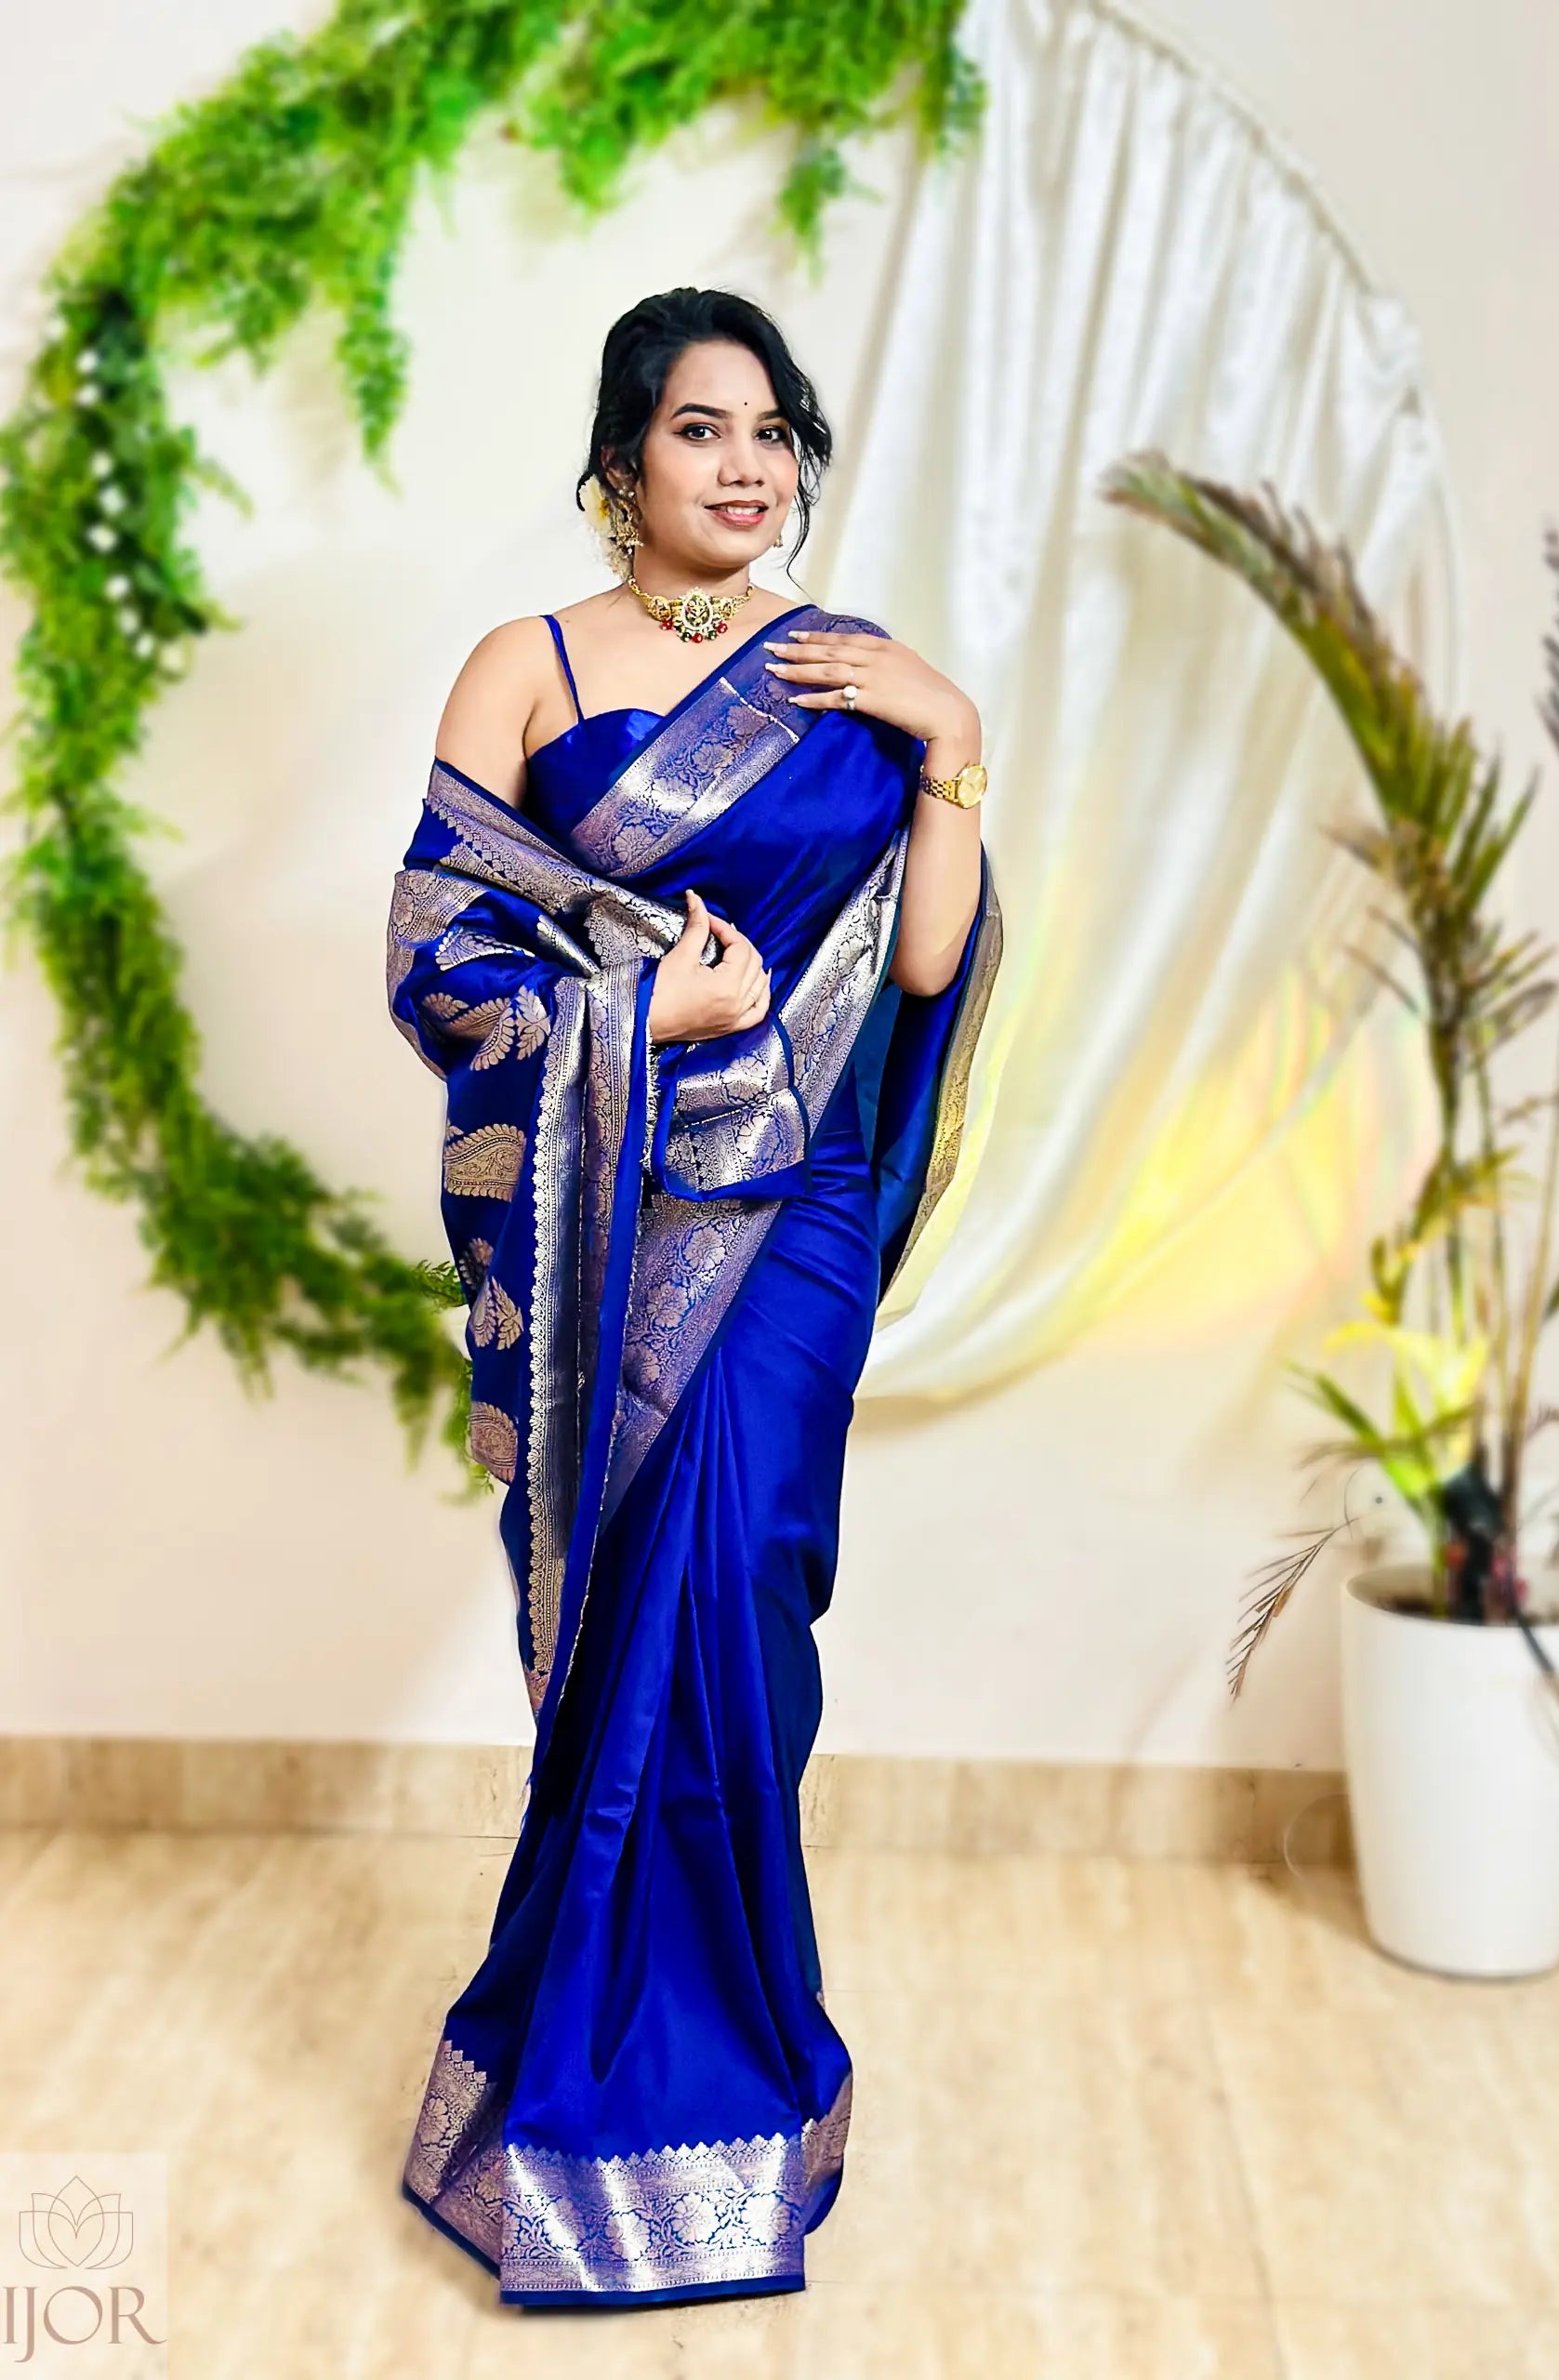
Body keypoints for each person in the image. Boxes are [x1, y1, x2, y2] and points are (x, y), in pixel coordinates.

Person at [386, 285, 1000, 2310]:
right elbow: (439, 964)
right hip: (609, 1204)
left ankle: (735, 2068)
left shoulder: (851, 677)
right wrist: (650, 1001)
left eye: (776, 432)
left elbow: (916, 980)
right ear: (622, 461)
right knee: (631, 1623)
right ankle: (578, 2092)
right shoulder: (528, 668)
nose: (749, 467)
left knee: (740, 1595)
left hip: (796, 1206)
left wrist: (953, 743)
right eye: (702, 430)